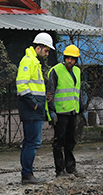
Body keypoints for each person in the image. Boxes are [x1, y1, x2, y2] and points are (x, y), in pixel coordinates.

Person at [16, 32, 53, 185]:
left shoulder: (32, 62)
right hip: (32, 109)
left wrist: (43, 98)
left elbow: (31, 86)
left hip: (33, 108)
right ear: (38, 48)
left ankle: (27, 174)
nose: (47, 54)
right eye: (46, 51)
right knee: (32, 142)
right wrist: (35, 104)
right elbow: (21, 85)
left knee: (29, 142)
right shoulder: (28, 61)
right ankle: (27, 175)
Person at [47, 44, 83, 178]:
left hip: (73, 111)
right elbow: (50, 92)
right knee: (58, 142)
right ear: (64, 57)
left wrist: (80, 107)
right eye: (68, 58)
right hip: (60, 113)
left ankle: (71, 168)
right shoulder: (55, 71)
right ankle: (59, 171)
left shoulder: (77, 71)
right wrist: (51, 111)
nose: (70, 61)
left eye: (73, 59)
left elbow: (77, 91)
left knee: (70, 141)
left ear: (76, 60)